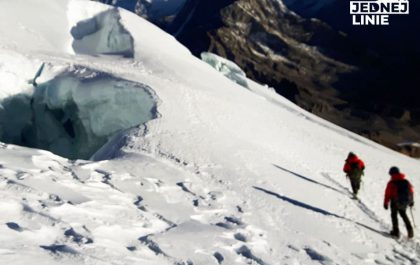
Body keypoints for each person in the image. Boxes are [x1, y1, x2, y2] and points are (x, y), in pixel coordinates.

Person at [384, 166, 414, 238]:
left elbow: (387, 194)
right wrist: (411, 201)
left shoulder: (391, 183)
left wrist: (385, 203)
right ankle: (410, 231)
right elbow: (411, 192)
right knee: (403, 215)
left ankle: (395, 232)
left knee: (394, 216)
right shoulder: (406, 181)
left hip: (394, 202)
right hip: (404, 202)